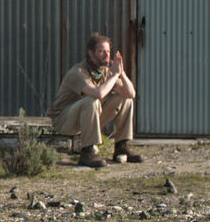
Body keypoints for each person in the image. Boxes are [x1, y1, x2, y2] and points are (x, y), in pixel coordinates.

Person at [47, 32, 142, 167]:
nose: (106, 55)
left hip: (86, 119)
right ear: (91, 53)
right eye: (101, 51)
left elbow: (131, 93)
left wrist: (122, 73)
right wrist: (114, 76)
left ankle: (121, 147)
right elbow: (98, 94)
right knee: (91, 100)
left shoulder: (105, 72)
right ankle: (87, 153)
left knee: (125, 99)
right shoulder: (78, 72)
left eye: (108, 51)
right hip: (64, 121)